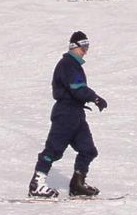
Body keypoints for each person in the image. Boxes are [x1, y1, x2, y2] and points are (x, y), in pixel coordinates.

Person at [28, 31, 107, 198]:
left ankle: (77, 184)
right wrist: (94, 97)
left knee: (88, 150)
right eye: (83, 47)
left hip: (76, 115)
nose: (86, 50)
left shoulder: (74, 65)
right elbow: (77, 88)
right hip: (65, 113)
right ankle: (37, 184)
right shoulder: (67, 65)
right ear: (74, 47)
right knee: (53, 150)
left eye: (87, 47)